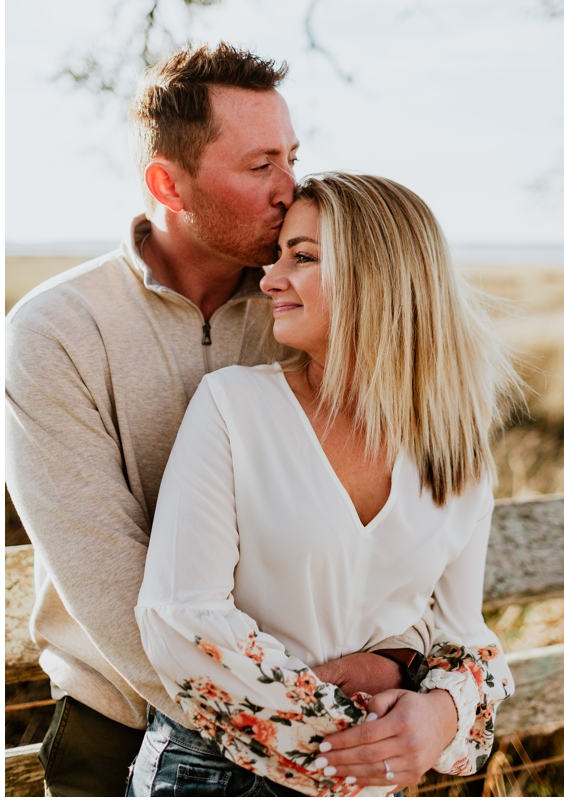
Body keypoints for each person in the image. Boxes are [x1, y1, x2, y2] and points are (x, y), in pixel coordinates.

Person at [4, 44, 427, 796]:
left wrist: (399, 678)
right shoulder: (56, 332)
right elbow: (107, 576)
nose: (290, 187)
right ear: (169, 183)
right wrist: (292, 731)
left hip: (331, 720)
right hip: (127, 729)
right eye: (260, 165)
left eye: (293, 156)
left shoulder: (302, 307)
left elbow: (397, 522)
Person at [127, 173, 518, 796]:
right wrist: (354, 744)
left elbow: (463, 636)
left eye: (302, 257)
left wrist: (437, 717)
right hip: (217, 775)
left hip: (374, 779)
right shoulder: (234, 406)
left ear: (381, 276)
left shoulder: (457, 451)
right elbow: (182, 618)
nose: (270, 278)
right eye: (277, 255)